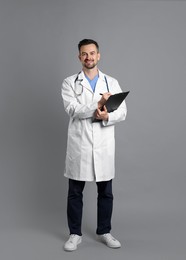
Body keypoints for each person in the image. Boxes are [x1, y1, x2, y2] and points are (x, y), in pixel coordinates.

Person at [61, 39, 127, 251]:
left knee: (106, 191)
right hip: (79, 145)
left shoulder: (111, 83)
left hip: (103, 144)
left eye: (92, 53)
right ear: (79, 57)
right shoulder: (69, 82)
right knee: (75, 192)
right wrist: (96, 105)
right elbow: (72, 109)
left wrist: (107, 115)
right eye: (84, 54)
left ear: (98, 55)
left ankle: (104, 231)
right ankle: (74, 234)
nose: (88, 57)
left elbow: (123, 112)